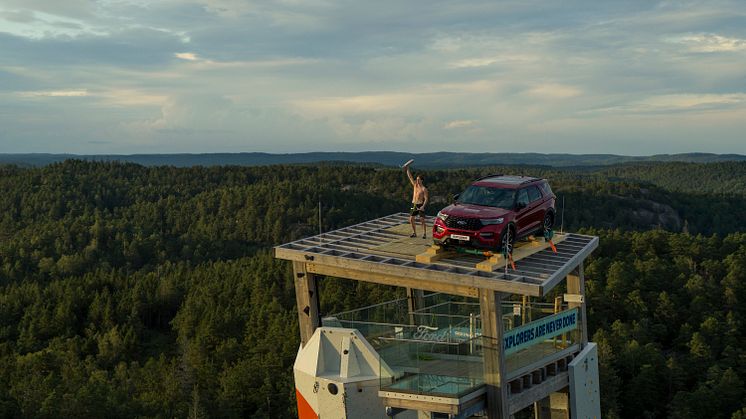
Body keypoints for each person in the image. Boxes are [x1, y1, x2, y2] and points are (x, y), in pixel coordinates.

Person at [404, 162, 429, 238]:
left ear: (422, 180)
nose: (417, 181)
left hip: (420, 205)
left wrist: (423, 206)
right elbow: (410, 177)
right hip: (414, 204)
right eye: (417, 179)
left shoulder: (424, 189)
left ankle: (424, 233)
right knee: (411, 219)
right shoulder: (415, 185)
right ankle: (414, 233)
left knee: (422, 220)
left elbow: (426, 199)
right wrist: (407, 168)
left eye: (418, 180)